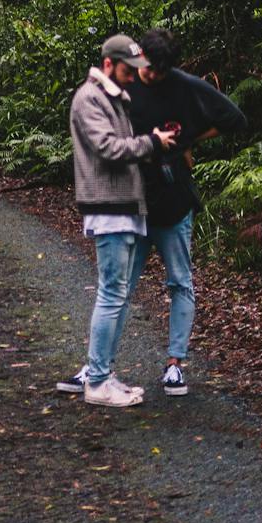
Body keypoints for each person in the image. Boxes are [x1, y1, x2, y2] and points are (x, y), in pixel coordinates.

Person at [58, 31, 178, 407]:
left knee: (118, 295)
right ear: (109, 64)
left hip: (124, 207)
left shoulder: (113, 98)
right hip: (108, 208)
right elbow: (108, 149)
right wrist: (152, 142)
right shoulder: (89, 98)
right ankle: (95, 381)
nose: (134, 75)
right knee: (111, 294)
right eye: (129, 69)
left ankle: (104, 374)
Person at [126, 26, 247, 396]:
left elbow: (234, 120)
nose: (153, 77)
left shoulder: (184, 86)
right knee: (119, 287)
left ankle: (175, 364)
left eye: (160, 73)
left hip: (173, 197)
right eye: (149, 70)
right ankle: (98, 368)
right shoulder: (126, 80)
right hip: (132, 200)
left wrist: (189, 139)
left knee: (180, 281)